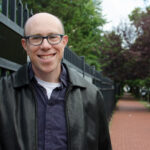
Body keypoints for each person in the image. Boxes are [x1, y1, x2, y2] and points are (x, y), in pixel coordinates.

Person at [0, 12, 112, 150]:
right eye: (36, 38)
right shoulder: (3, 94)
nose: (46, 45)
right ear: (25, 44)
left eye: (53, 37)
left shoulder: (91, 95)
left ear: (64, 41)